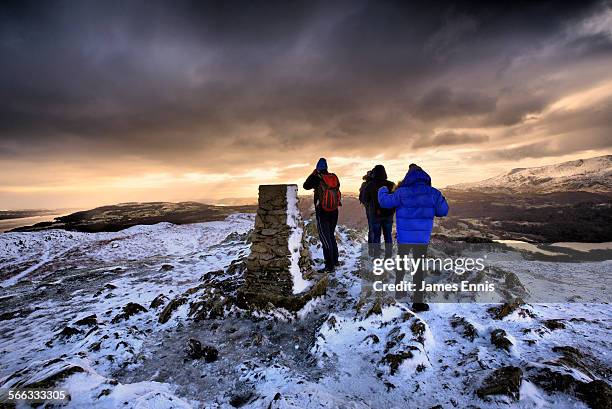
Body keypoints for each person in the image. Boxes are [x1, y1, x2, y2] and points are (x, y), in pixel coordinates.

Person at [378, 163, 449, 312]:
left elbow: (385, 202)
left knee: (402, 264)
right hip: (422, 238)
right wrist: (441, 198)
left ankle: (399, 290)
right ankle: (418, 302)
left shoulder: (402, 192)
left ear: (408, 177)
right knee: (419, 269)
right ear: (425, 177)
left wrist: (383, 189)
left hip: (404, 237)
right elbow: (443, 211)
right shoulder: (433, 193)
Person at [303, 158, 341, 272]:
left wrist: (313, 173)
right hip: (334, 210)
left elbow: (306, 186)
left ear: (317, 168)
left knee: (325, 238)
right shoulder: (333, 177)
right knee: (331, 235)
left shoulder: (316, 178)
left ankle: (329, 266)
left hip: (322, 212)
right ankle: (335, 261)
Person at [363, 165, 395, 258]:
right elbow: (395, 199)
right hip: (388, 215)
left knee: (376, 236)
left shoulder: (370, 185)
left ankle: (376, 257)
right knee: (388, 235)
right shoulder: (391, 184)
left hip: (375, 215)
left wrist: (371, 207)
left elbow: (365, 199)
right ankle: (388, 257)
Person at [359, 169, 374, 247]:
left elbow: (361, 197)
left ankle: (370, 246)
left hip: (367, 208)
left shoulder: (364, 184)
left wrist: (366, 205)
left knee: (371, 227)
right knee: (374, 228)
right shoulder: (373, 184)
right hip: (373, 208)